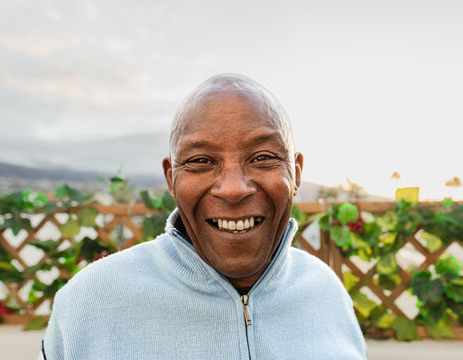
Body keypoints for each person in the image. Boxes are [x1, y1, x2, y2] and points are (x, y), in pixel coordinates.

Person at [39, 74, 367, 359]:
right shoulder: (89, 302)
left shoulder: (326, 293)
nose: (234, 189)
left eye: (263, 157)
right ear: (171, 179)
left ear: (295, 173)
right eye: (201, 161)